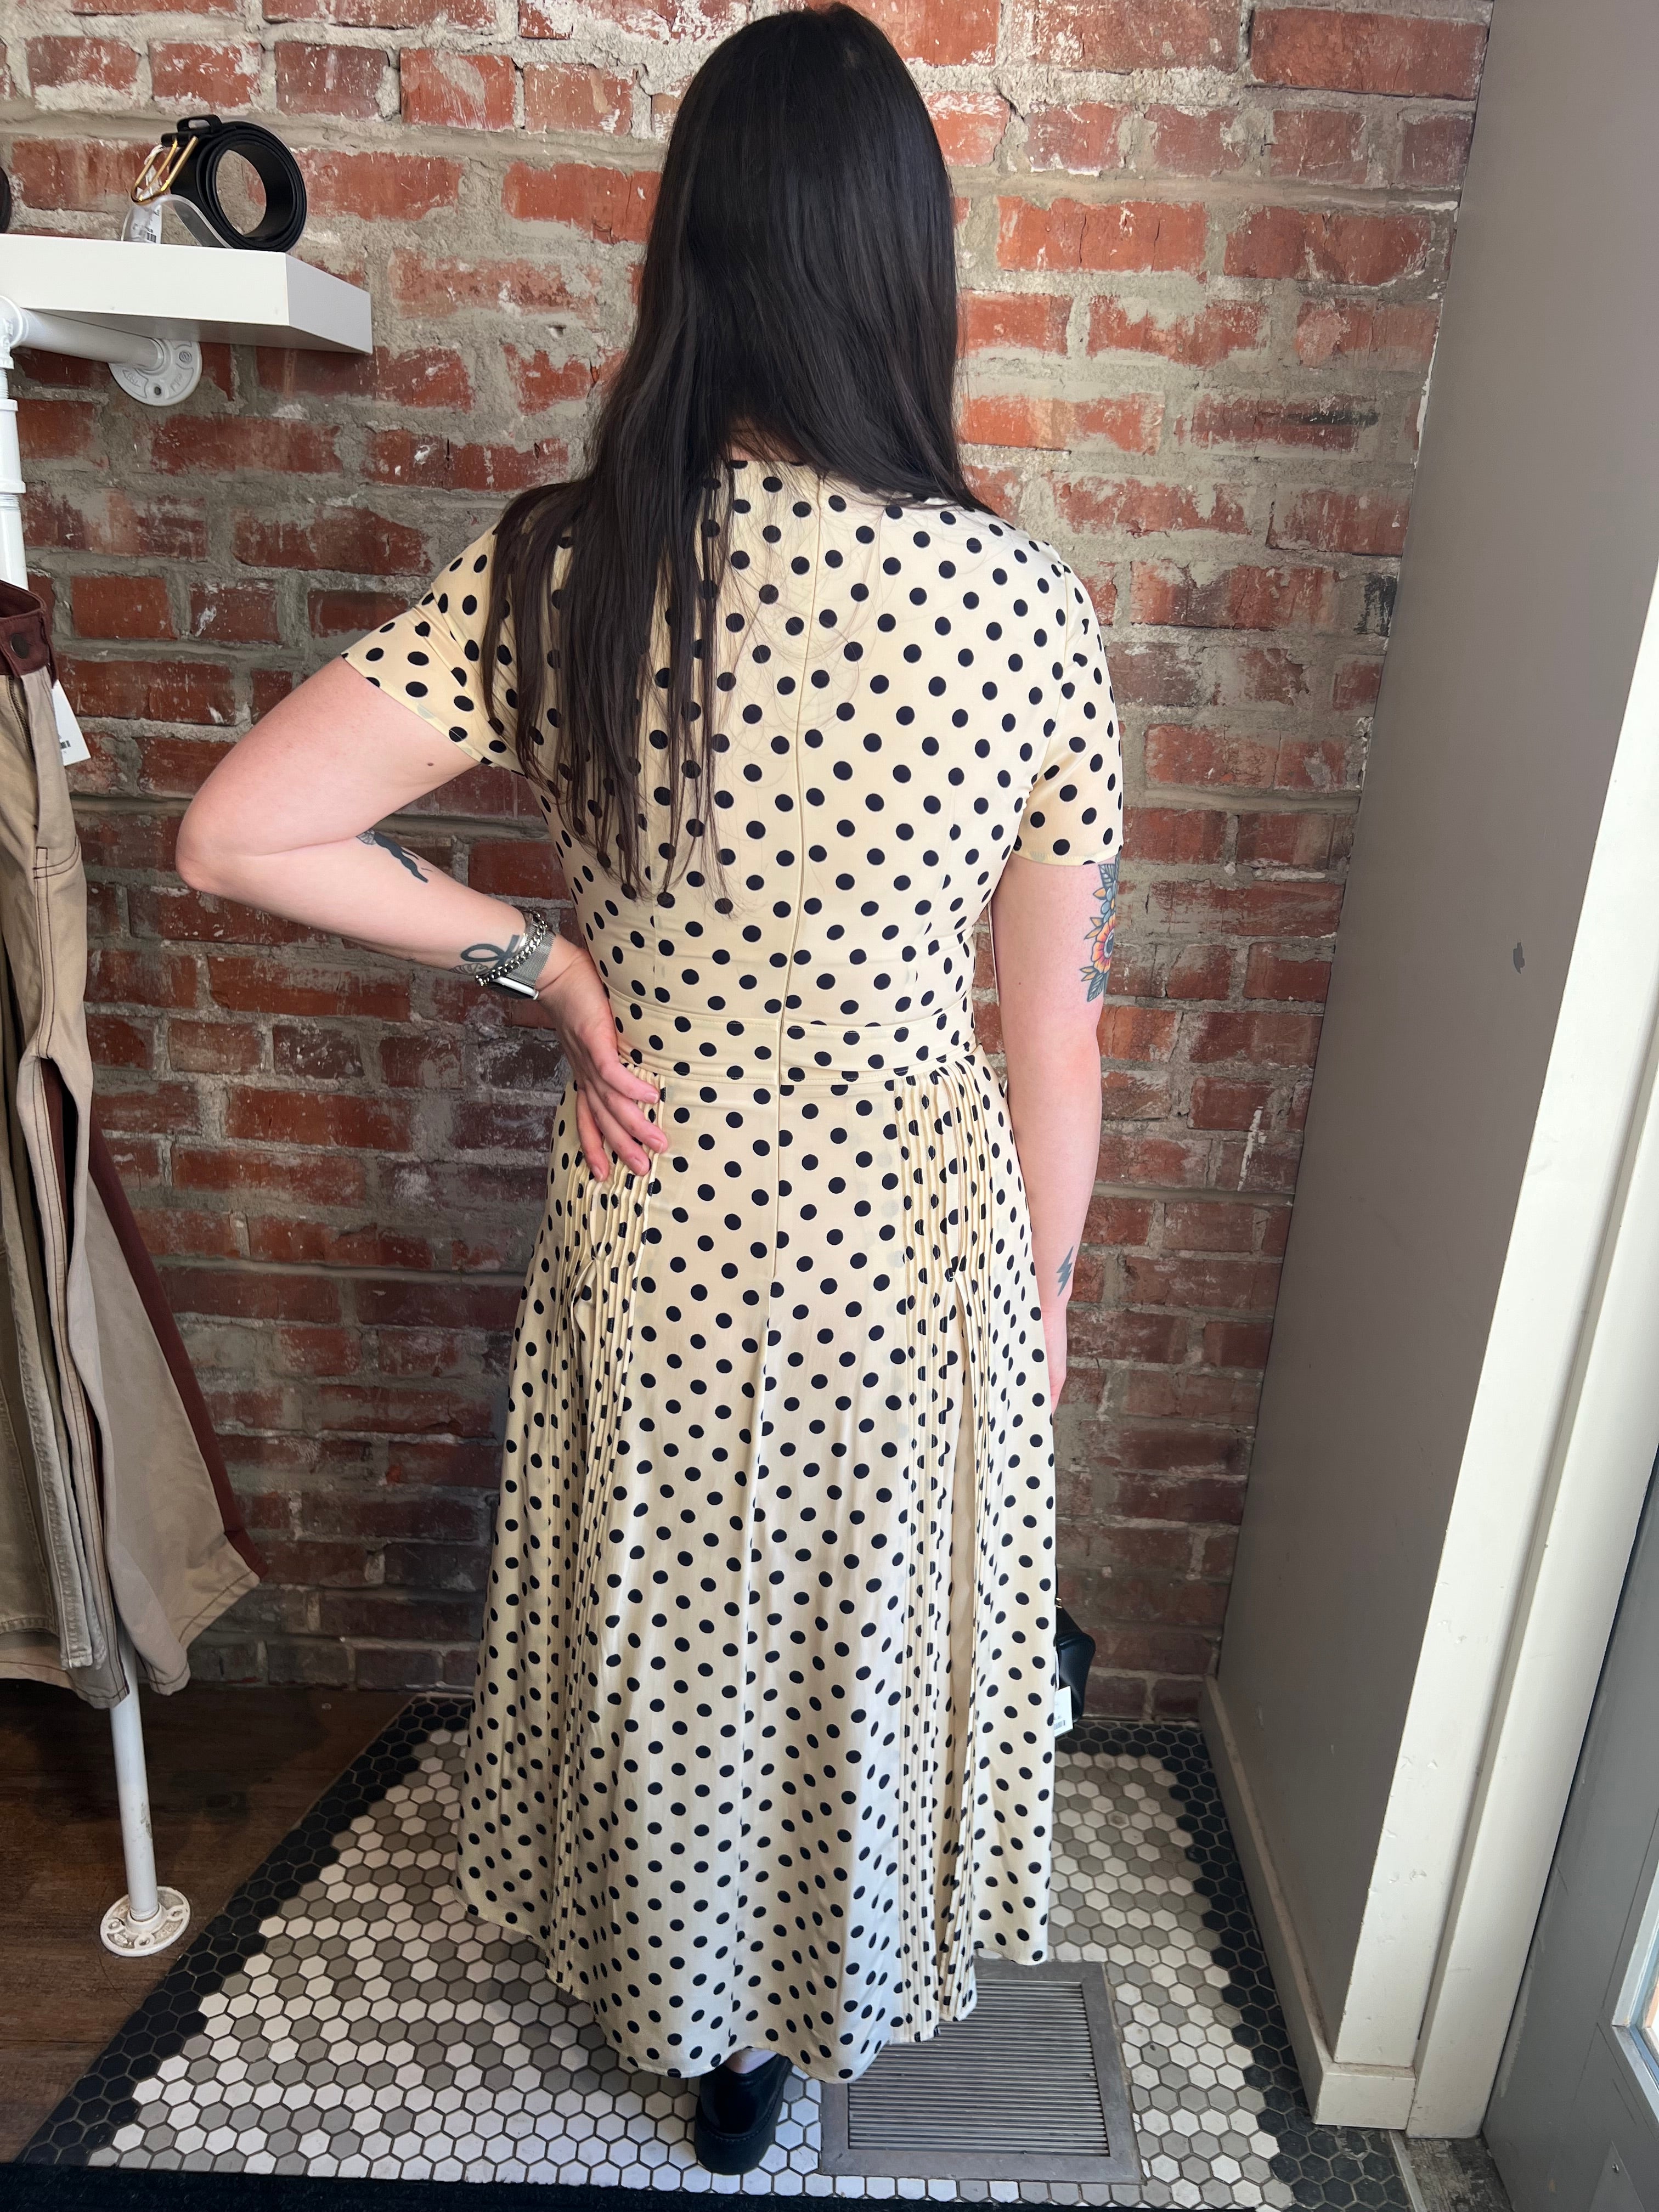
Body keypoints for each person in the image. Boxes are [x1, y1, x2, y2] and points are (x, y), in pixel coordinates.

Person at [176, 2, 1120, 2175]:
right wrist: (1050, 1291)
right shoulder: (1031, 614)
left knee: (678, 1634)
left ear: (687, 253)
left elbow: (236, 832)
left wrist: (548, 963)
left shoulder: (568, 566)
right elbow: (1053, 1024)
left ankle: (700, 2015)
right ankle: (805, 2022)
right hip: (913, 1240)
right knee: (857, 1639)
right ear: (908, 272)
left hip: (666, 1210)